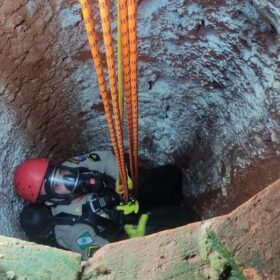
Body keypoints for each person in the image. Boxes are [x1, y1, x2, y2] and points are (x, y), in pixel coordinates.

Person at [14, 150, 183, 259]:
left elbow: (105, 158)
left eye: (58, 173)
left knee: (171, 175)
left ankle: (175, 199)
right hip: (125, 229)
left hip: (122, 198)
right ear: (50, 200)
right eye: (56, 185)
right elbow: (107, 257)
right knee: (181, 221)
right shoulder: (69, 230)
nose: (68, 179)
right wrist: (136, 240)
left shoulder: (72, 165)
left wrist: (122, 180)